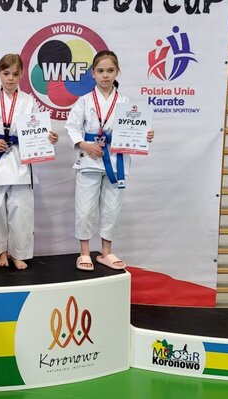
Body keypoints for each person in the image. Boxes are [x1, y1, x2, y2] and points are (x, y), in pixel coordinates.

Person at [65, 50, 154, 271]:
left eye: (110, 70)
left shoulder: (125, 102)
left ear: (117, 72)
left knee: (112, 208)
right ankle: (84, 252)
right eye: (100, 71)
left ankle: (106, 252)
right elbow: (72, 127)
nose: (105, 75)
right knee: (85, 208)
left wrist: (144, 135)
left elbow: (132, 130)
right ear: (93, 73)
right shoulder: (84, 101)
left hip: (115, 160)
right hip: (90, 159)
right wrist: (84, 145)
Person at [0, 53, 58, 270]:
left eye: (15, 74)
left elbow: (38, 128)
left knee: (21, 209)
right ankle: (0, 251)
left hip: (21, 159)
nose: (10, 78)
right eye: (6, 73)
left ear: (22, 75)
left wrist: (48, 137)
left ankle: (19, 253)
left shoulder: (29, 101)